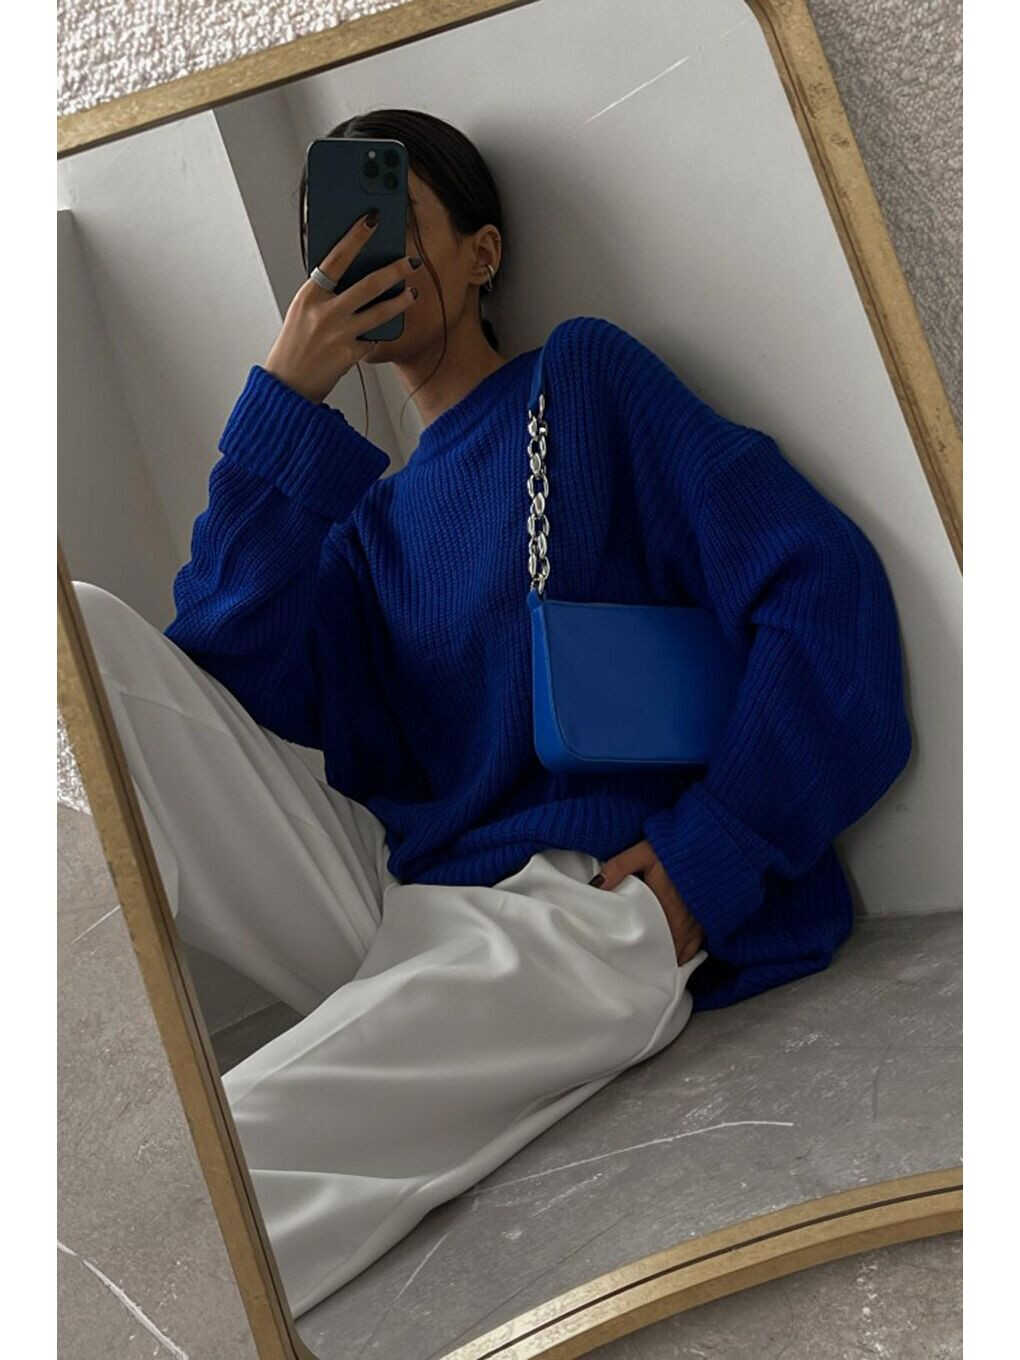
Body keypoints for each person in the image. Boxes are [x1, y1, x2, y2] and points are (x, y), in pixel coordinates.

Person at [73, 108, 912, 1319]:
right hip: (405, 890)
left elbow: (822, 591)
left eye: (391, 221)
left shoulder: (581, 382)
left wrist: (712, 856)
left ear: (482, 253)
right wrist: (285, 402)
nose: (360, 254)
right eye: (334, 236)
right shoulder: (363, 526)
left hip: (582, 898)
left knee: (214, 1150)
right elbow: (219, 670)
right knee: (78, 632)